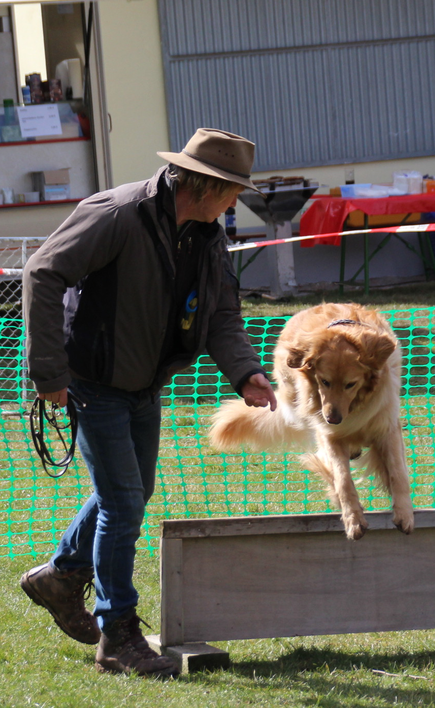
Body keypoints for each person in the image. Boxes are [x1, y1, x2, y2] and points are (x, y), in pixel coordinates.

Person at [20, 128, 277, 677]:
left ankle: (61, 574)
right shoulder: (117, 214)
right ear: (208, 186)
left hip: (145, 383)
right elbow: (42, 271)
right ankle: (118, 635)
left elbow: (222, 314)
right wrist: (48, 373)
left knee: (133, 493)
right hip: (93, 381)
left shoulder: (207, 236)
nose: (237, 203)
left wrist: (247, 374)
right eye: (234, 192)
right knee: (123, 503)